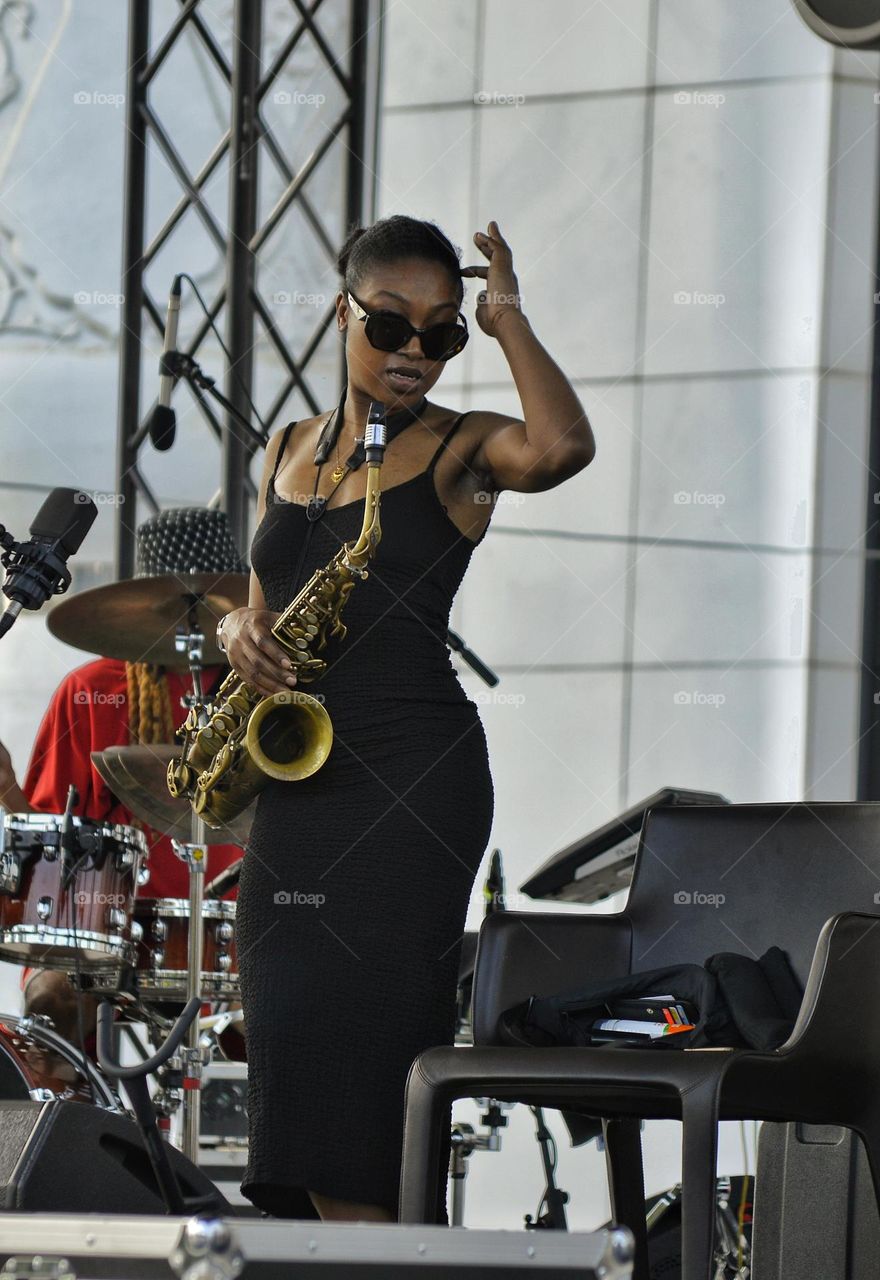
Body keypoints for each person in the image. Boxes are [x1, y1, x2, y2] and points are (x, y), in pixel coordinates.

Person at [221, 215, 595, 1224]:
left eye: (441, 335)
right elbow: (260, 606)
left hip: (409, 785)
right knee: (292, 1061)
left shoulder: (459, 447)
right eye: (391, 326)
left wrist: (508, 319)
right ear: (343, 311)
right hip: (300, 791)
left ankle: (383, 1249)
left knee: (365, 1077)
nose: (414, 355)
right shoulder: (286, 449)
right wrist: (231, 635)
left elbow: (561, 443)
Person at [0, 509, 246, 1048]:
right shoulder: (92, 688)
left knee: (295, 1016)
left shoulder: (272, 695)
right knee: (51, 1003)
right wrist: (7, 791)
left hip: (242, 937)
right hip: (114, 938)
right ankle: (74, 1126)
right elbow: (50, 841)